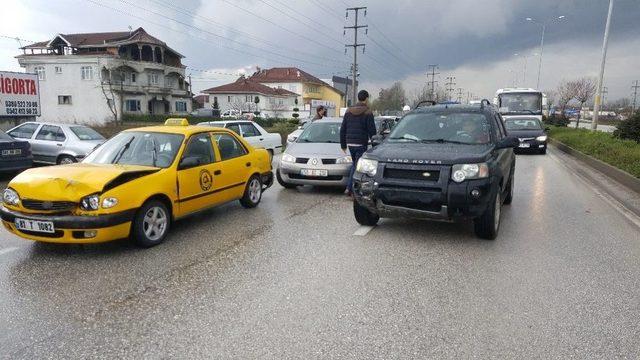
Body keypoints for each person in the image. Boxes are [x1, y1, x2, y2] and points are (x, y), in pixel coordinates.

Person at [340, 90, 376, 196]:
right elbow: (372, 130)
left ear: (358, 98)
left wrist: (343, 144)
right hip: (361, 143)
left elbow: (343, 128)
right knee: (357, 166)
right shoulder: (368, 112)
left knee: (355, 164)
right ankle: (350, 188)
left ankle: (351, 188)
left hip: (350, 143)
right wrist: (375, 145)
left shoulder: (348, 111)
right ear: (366, 99)